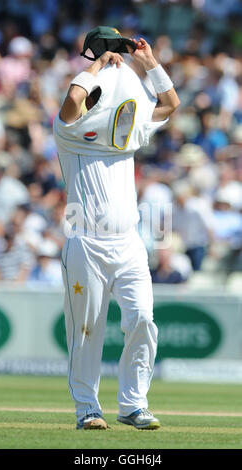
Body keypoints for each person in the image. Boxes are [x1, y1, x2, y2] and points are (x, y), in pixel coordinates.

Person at [53, 26, 180, 431]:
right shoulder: (69, 133)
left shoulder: (128, 132)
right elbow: (73, 102)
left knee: (143, 318)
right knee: (86, 331)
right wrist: (96, 68)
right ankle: (87, 409)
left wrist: (150, 64)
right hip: (86, 243)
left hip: (128, 242)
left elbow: (170, 103)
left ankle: (133, 404)